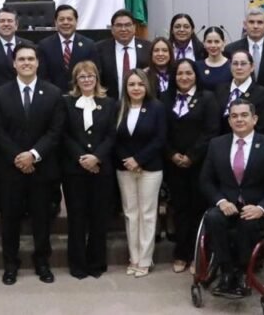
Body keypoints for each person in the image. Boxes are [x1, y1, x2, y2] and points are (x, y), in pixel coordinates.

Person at [199, 99, 264, 299]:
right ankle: (226, 271)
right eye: (234, 116)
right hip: (227, 205)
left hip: (257, 208)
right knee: (212, 218)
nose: (239, 119)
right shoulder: (217, 145)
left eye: (244, 115)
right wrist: (221, 201)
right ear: (229, 121)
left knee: (247, 223)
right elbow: (206, 180)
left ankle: (241, 273)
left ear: (254, 119)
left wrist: (261, 208)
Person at [0, 44, 66, 285]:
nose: (26, 63)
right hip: (10, 169)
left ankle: (42, 262)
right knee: (10, 221)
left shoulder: (53, 93)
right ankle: (10, 264)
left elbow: (55, 131)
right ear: (14, 63)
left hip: (41, 169)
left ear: (38, 63)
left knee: (41, 219)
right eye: (21, 59)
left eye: (30, 59)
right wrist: (18, 157)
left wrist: (33, 155)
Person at [161, 58, 219, 273]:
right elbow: (161, 131)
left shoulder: (208, 98)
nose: (184, 77)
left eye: (188, 73)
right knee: (179, 209)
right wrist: (172, 154)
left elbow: (211, 131)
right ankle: (181, 254)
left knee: (198, 209)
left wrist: (191, 156)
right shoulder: (165, 98)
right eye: (179, 74)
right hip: (173, 164)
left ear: (196, 75)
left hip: (200, 164)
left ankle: (198, 255)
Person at [61, 60, 116, 279]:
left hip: (101, 169)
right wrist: (82, 158)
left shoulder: (109, 103)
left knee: (98, 218)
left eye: (90, 76)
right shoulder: (66, 102)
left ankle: (96, 263)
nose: (86, 80)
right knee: (76, 218)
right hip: (74, 170)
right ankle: (77, 264)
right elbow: (64, 134)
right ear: (76, 80)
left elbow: (111, 135)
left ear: (97, 79)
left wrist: (96, 157)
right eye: (82, 76)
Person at [114, 69, 166, 278]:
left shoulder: (157, 108)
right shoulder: (119, 107)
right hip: (125, 168)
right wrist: (128, 160)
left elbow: (160, 139)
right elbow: (114, 138)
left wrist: (138, 160)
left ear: (147, 86)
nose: (136, 88)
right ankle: (133, 258)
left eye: (140, 84)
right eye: (131, 84)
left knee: (147, 213)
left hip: (150, 168)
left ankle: (145, 259)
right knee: (130, 213)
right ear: (125, 87)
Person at [36, 4, 98, 92]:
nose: (65, 22)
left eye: (69, 19)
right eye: (61, 19)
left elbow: (95, 73)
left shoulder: (89, 45)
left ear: (76, 21)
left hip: (81, 94)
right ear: (55, 22)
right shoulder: (44, 45)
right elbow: (42, 75)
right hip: (53, 95)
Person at [95, 9, 152, 101]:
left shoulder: (148, 48)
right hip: (110, 104)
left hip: (141, 104)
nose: (123, 29)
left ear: (134, 27)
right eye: (119, 25)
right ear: (112, 29)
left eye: (127, 25)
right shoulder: (99, 49)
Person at [224, 8, 264, 88]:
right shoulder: (231, 49)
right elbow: (228, 80)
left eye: (260, 22)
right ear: (245, 25)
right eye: (251, 22)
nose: (255, 26)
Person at [0, 7, 34, 90]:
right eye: (2, 21)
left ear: (16, 25)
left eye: (10, 21)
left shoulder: (29, 45)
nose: (6, 24)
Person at [213, 50, 264, 134]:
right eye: (235, 64)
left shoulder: (261, 92)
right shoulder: (220, 89)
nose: (239, 67)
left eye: (243, 64)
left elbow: (262, 125)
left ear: (252, 67)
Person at [196, 26, 231, 91]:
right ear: (204, 43)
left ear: (224, 43)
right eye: (209, 42)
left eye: (217, 41)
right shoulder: (197, 66)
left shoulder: (232, 65)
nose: (213, 45)